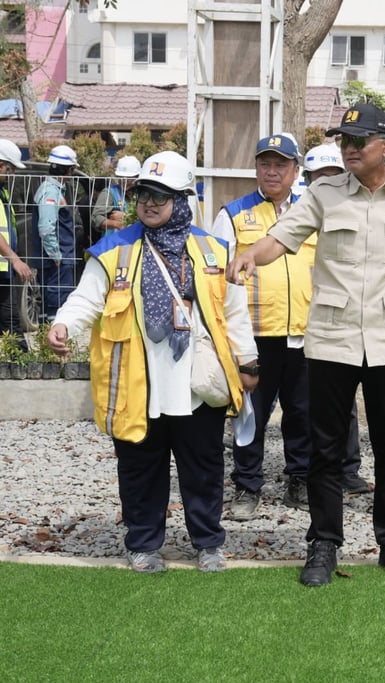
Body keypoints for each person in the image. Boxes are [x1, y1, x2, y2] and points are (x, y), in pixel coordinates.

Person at [227, 103, 385, 586]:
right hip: (331, 341)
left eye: (357, 141)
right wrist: (249, 255)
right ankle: (323, 543)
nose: (347, 148)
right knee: (325, 449)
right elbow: (280, 239)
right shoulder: (324, 193)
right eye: (343, 140)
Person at [46, 151, 259, 573]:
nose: (149, 203)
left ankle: (208, 542)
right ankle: (143, 543)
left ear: (183, 200)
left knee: (204, 466)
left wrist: (248, 361)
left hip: (198, 383)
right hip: (137, 381)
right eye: (143, 193)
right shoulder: (115, 249)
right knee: (140, 468)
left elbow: (234, 312)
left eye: (161, 196)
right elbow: (86, 297)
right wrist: (63, 326)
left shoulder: (214, 249)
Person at [210, 133, 315, 519]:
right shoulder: (233, 214)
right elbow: (216, 277)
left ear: (295, 170)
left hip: (305, 332)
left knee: (302, 412)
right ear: (255, 168)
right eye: (265, 164)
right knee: (249, 414)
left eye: (281, 165)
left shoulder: (310, 212)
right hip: (254, 336)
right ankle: (246, 485)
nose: (272, 172)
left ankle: (299, 480)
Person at [304, 140, 370, 496]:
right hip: (287, 327)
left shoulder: (355, 209)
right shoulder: (305, 209)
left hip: (336, 327)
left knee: (344, 411)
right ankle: (294, 474)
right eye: (319, 175)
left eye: (332, 173)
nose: (325, 180)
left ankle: (349, 469)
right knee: (308, 412)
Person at [33, 144, 80, 321]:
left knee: (55, 303)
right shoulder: (50, 192)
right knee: (55, 306)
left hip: (57, 260)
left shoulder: (55, 189)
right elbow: (46, 227)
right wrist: (56, 256)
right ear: (68, 170)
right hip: (54, 262)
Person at [0, 140, 33, 338]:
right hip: (5, 263)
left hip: (3, 268)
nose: (11, 174)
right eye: (9, 168)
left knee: (9, 317)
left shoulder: (3, 192)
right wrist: (14, 259)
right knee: (9, 318)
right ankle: (20, 360)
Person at [91, 155, 141, 235]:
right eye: (121, 177)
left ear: (137, 177)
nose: (124, 181)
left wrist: (127, 218)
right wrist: (116, 224)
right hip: (113, 243)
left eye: (129, 178)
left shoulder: (143, 194)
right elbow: (96, 218)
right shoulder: (109, 193)